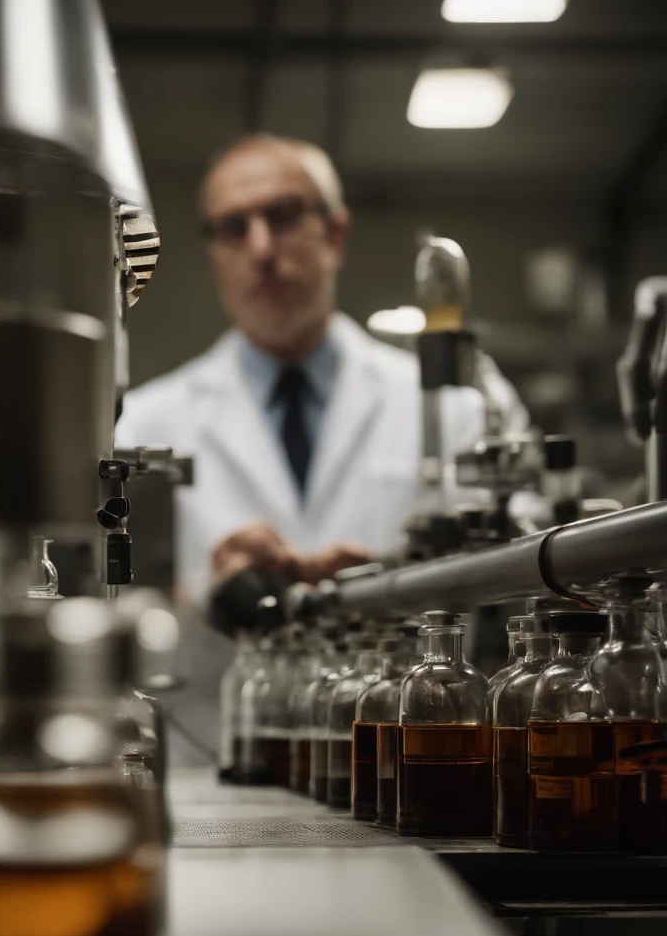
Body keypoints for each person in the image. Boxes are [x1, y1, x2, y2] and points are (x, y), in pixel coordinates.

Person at [115, 133, 527, 759]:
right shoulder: (142, 424)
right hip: (211, 770)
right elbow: (113, 627)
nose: (260, 248)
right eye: (233, 228)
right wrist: (197, 602)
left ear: (335, 234)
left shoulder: (456, 411)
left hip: (410, 768)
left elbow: (526, 584)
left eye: (282, 216)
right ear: (213, 255)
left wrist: (390, 581)